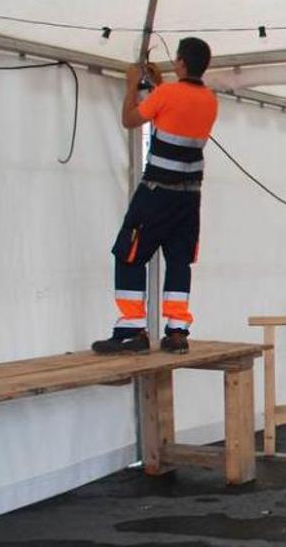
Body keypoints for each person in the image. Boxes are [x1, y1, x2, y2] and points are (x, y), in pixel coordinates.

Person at [93, 37, 218, 355]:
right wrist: (158, 85)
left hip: (157, 193)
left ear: (180, 63)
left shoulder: (166, 93)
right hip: (189, 198)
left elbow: (131, 119)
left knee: (129, 253)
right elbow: (172, 110)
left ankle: (131, 330)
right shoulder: (210, 101)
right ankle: (177, 331)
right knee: (179, 260)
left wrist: (132, 85)